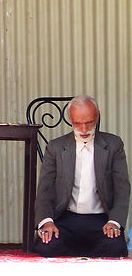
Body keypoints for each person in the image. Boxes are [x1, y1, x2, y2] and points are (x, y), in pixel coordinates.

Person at [34, 95, 130, 257]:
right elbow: (45, 190)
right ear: (70, 119)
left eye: (89, 122)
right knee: (46, 246)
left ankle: (77, 256)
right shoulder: (56, 147)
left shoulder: (114, 145)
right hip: (65, 218)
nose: (84, 130)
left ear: (97, 117)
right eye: (77, 123)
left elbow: (122, 188)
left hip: (101, 220)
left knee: (115, 247)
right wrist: (47, 221)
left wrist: (114, 222)